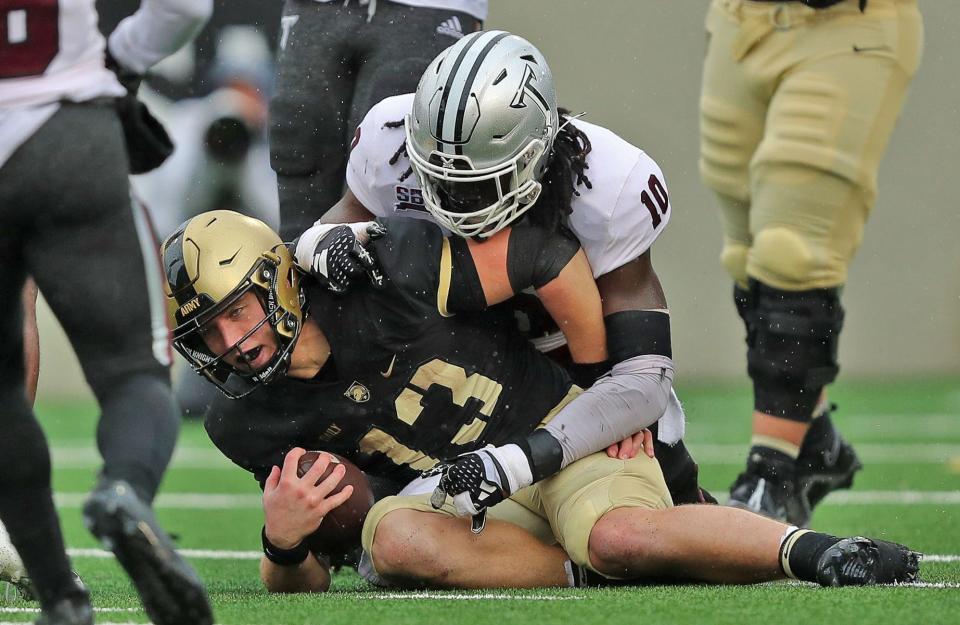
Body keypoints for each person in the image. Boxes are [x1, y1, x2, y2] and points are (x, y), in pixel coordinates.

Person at [162, 209, 920, 593]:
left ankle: (813, 552)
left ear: (283, 278)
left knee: (622, 536)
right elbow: (304, 587)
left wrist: (603, 392)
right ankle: (579, 570)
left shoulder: (382, 272)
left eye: (238, 310)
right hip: (460, 491)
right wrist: (282, 543)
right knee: (388, 545)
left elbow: (547, 258)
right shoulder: (244, 418)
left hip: (561, 440)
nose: (230, 341)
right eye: (208, 330)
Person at [296, 30, 709, 507]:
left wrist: (606, 405)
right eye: (440, 179)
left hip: (569, 357)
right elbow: (318, 242)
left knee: (662, 483)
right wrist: (319, 246)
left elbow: (641, 375)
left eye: (482, 183)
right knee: (391, 527)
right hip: (440, 349)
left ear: (538, 153)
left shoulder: (613, 187)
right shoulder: (388, 139)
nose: (457, 204)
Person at [0, 1, 215, 623]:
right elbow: (183, 6)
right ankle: (124, 487)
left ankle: (59, 596)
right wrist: (120, 58)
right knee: (132, 372)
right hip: (68, 130)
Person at [698, 0, 923, 524]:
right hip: (742, 19)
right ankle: (816, 440)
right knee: (748, 253)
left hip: (848, 23)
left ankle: (771, 472)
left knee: (790, 251)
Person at [270, 0, 487, 240]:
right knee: (298, 151)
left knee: (400, 170)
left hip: (431, 9)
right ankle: (295, 271)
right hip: (312, 8)